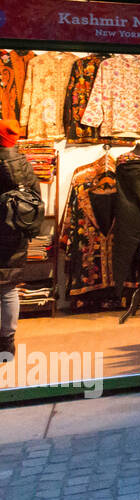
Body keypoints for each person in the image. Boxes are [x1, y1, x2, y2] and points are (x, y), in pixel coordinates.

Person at [0, 120, 38, 359]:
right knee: (8, 289)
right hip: (16, 233)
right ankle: (7, 342)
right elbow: (36, 198)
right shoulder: (23, 163)